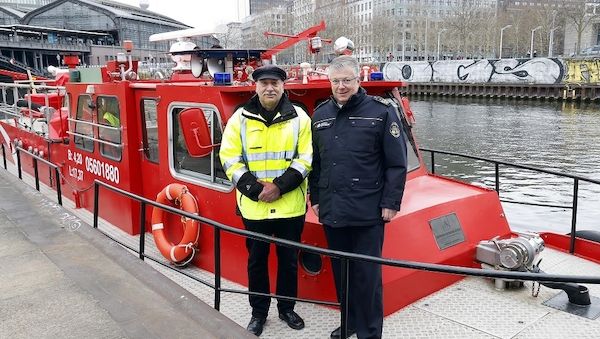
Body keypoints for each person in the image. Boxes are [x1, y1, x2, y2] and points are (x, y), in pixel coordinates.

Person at [309, 55, 408, 339]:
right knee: (342, 273)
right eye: (336, 81)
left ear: (358, 80)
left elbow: (396, 163)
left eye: (347, 81)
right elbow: (316, 164)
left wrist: (390, 202)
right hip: (333, 209)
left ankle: (369, 333)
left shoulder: (380, 112)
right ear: (330, 82)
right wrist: (316, 198)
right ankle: (350, 321)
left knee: (367, 277)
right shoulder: (321, 115)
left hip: (368, 211)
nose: (341, 86)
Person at [219, 64, 312, 337]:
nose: (269, 88)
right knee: (256, 262)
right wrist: (254, 189)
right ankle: (258, 313)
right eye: (264, 83)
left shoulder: (300, 118)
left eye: (275, 83)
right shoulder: (239, 119)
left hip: (289, 206)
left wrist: (279, 187)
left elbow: (306, 158)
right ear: (255, 86)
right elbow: (229, 158)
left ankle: (286, 309)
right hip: (254, 206)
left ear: (283, 86)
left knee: (288, 261)